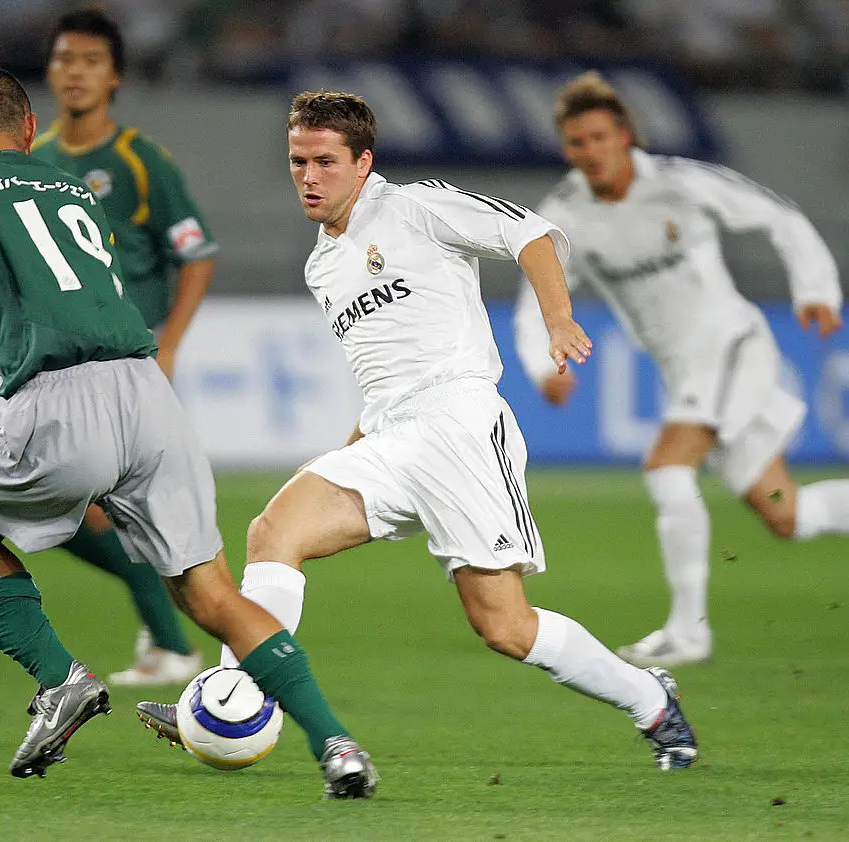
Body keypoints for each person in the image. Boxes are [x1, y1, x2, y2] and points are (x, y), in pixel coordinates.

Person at [135, 90, 699, 771]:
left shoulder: (414, 206)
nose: (308, 178)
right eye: (296, 162)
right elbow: (383, 379)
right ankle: (234, 697)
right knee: (271, 532)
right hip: (389, 435)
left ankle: (652, 701)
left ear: (363, 162)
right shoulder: (323, 263)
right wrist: (351, 454)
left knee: (504, 625)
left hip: (460, 425)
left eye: (324, 162)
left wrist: (556, 316)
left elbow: (533, 234)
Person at [0, 67, 377, 798]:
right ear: (28, 130)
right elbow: (69, 328)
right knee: (211, 593)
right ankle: (337, 745)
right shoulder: (71, 191)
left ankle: (62, 680)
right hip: (148, 398)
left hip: (59, 406)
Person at [514, 71, 848, 668]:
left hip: (731, 346)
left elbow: (780, 216)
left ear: (625, 135)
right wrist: (545, 366)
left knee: (667, 467)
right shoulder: (565, 214)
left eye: (597, 138)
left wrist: (815, 289)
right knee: (786, 513)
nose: (588, 153)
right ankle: (690, 625)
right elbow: (534, 295)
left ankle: (689, 630)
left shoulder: (680, 183)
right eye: (575, 143)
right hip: (682, 369)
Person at [0, 7, 219, 687]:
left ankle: (173, 640)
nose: (74, 71)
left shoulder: (142, 162)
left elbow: (195, 254)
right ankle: (170, 630)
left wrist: (170, 342)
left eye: (89, 60)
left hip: (128, 364)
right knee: (86, 512)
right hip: (51, 367)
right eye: (62, 59)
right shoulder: (34, 162)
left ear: (114, 74)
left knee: (83, 505)